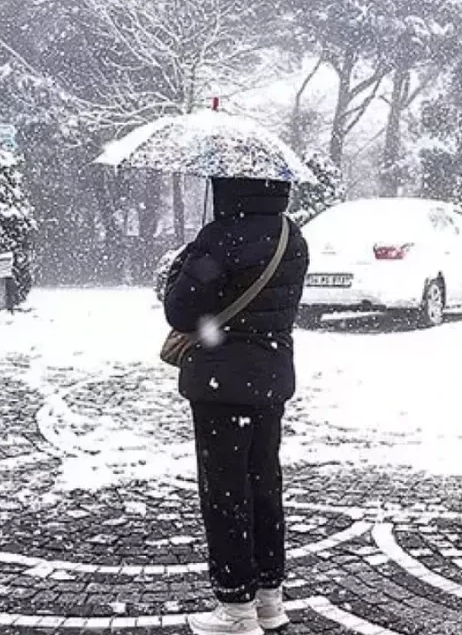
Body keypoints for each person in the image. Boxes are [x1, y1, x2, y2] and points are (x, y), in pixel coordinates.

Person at [162, 176, 310, 635]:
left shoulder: (221, 237)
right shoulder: (293, 237)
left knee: (225, 492)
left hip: (220, 381)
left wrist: (185, 263)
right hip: (269, 378)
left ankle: (234, 608)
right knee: (264, 484)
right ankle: (270, 599)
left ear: (228, 188)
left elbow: (181, 312)